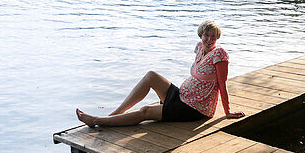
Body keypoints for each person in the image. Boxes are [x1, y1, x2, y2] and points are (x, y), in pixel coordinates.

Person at [75, 20, 245, 127]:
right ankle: (115, 114)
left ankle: (97, 121)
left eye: (213, 37)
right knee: (151, 75)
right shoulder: (199, 48)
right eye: (206, 35)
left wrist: (228, 110)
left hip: (195, 108)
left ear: (217, 38)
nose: (209, 40)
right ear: (201, 35)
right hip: (182, 96)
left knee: (146, 111)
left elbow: (222, 83)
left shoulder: (219, 54)